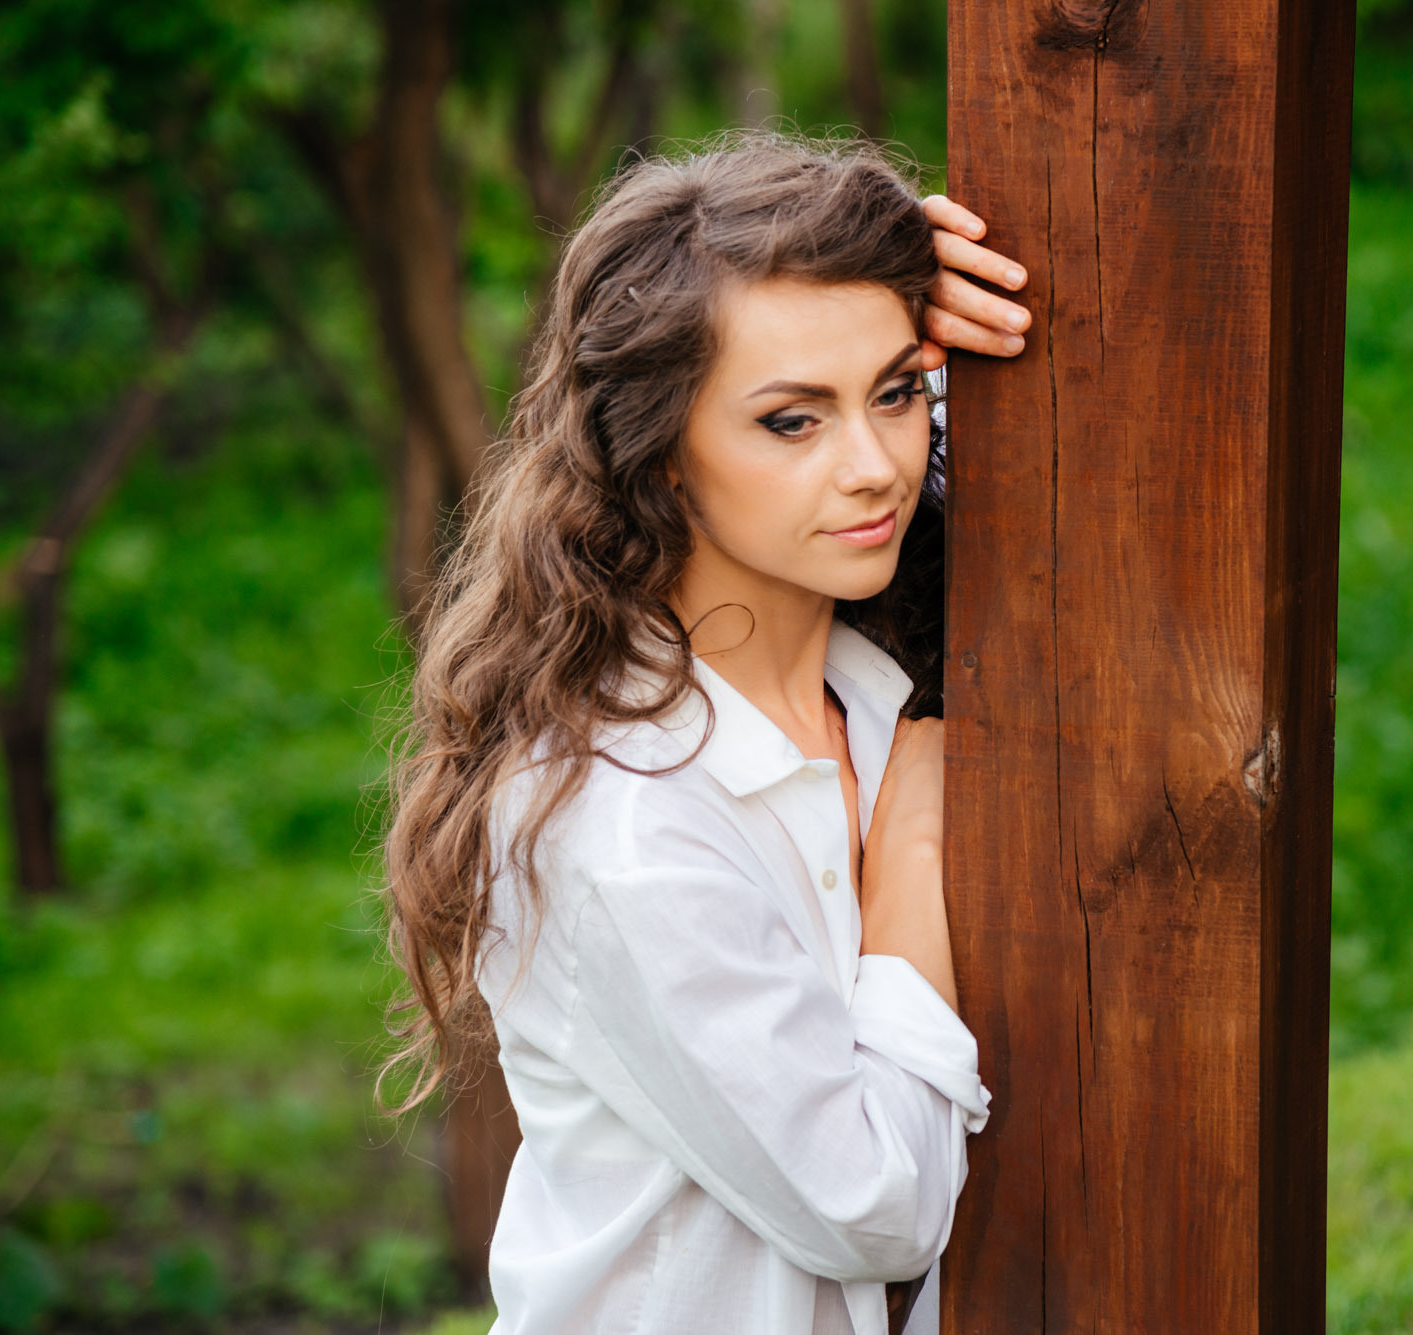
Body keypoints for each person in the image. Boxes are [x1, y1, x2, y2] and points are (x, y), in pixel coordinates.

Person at [379, 129, 1031, 1335]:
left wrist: (935, 272)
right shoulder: (616, 814)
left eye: (895, 393)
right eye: (792, 421)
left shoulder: (884, 688)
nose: (876, 465)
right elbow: (875, 1207)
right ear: (664, 457)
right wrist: (914, 863)